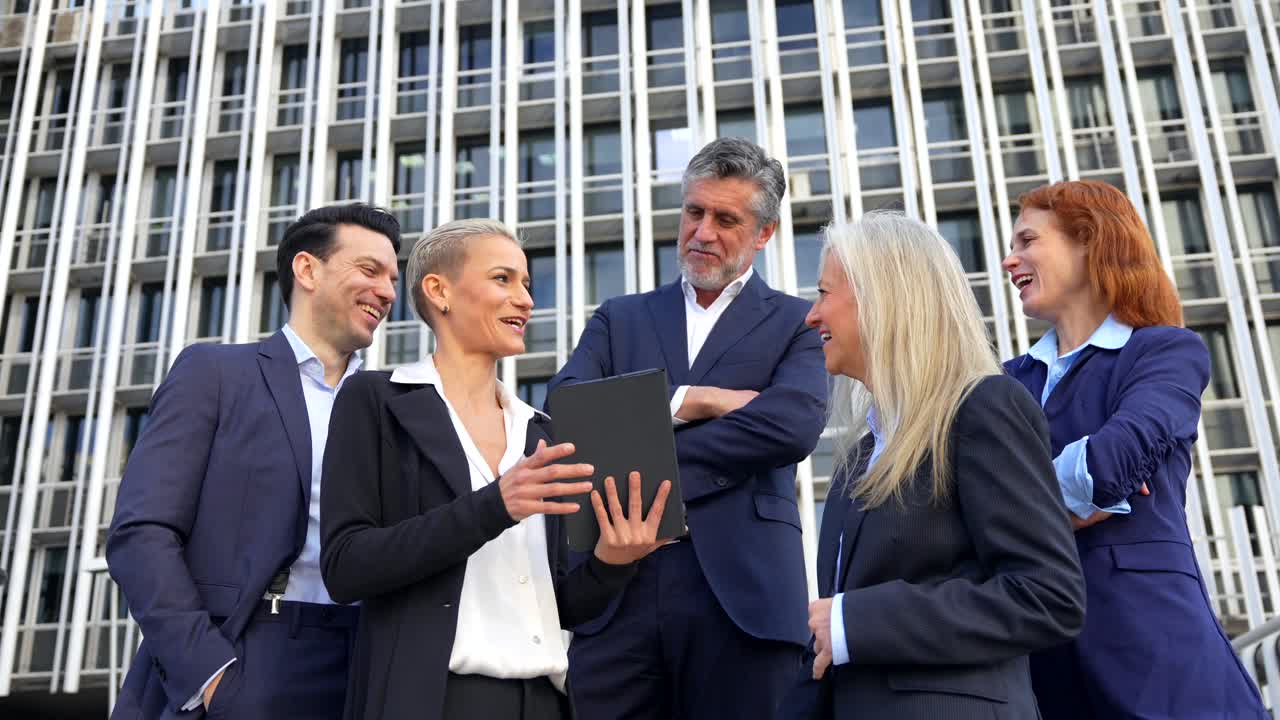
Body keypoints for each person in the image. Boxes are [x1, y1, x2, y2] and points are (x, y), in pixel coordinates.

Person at [319, 219, 670, 720]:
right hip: (432, 699)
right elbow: (346, 566)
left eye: (526, 284)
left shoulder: (543, 433)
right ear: (439, 291)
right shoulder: (376, 400)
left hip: (546, 701)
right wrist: (494, 506)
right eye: (503, 279)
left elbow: (562, 604)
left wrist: (614, 561)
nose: (526, 299)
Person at [549, 137, 829, 719]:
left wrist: (635, 448)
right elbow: (569, 412)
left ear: (765, 233)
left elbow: (793, 425)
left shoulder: (798, 323)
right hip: (618, 592)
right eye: (694, 212)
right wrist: (694, 400)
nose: (702, 232)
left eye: (726, 219)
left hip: (743, 600)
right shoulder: (618, 317)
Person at [785, 211, 1086, 719]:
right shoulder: (856, 458)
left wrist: (851, 623)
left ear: (885, 298)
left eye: (824, 292)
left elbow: (1046, 595)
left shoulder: (983, 408)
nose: (811, 315)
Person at [106, 204, 402, 719]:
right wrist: (212, 674)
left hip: (367, 662)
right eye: (370, 270)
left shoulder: (395, 407)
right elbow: (142, 531)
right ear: (306, 269)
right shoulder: (216, 373)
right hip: (249, 650)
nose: (388, 292)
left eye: (394, 279)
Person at [1002, 180, 1267, 718]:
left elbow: (1111, 466)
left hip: (1155, 651)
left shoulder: (1166, 351)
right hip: (1041, 665)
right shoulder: (1004, 383)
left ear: (1090, 241)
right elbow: (968, 504)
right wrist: (1068, 492)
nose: (1010, 260)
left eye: (1028, 241)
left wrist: (1016, 502)